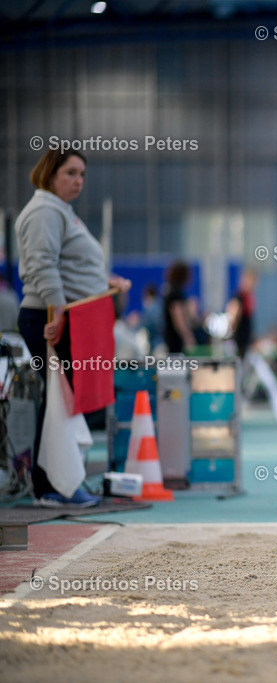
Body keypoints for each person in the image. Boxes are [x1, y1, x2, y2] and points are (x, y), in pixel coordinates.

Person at [16, 149, 131, 507]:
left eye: (82, 174)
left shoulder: (62, 212)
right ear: (50, 175)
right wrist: (60, 314)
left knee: (62, 402)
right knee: (59, 403)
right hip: (50, 318)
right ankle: (53, 486)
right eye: (70, 173)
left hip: (66, 316)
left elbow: (66, 265)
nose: (78, 180)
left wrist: (102, 282)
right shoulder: (45, 211)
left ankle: (58, 481)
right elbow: (42, 263)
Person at [162, 261, 195, 354]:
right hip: (174, 341)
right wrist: (187, 337)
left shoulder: (169, 290)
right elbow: (178, 317)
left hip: (169, 337)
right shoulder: (176, 293)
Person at [226, 268, 257, 358]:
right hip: (238, 341)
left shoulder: (249, 298)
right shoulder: (238, 298)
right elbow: (232, 318)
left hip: (245, 341)